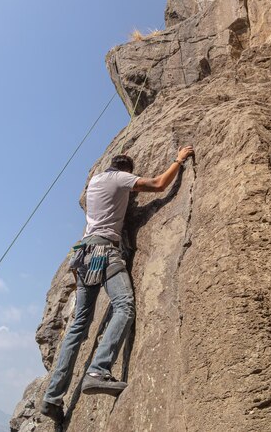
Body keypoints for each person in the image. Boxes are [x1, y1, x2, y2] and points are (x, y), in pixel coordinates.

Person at [41, 146, 195, 424]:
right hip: (104, 253)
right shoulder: (120, 178)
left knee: (78, 327)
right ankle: (98, 371)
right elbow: (159, 185)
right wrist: (178, 160)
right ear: (126, 170)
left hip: (83, 255)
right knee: (124, 306)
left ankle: (52, 397)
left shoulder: (95, 182)